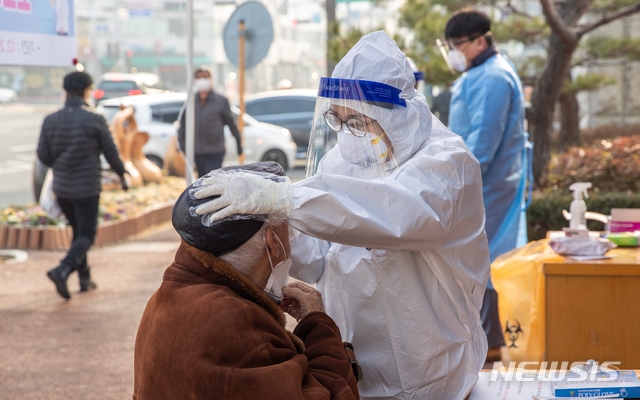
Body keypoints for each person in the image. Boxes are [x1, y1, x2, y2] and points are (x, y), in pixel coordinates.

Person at [190, 31, 490, 399]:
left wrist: (285, 198)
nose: (350, 134)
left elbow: (397, 215)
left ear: (396, 112)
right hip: (354, 364)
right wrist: (271, 234)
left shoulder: (447, 164)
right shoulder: (346, 160)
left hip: (432, 369)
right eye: (340, 120)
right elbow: (320, 256)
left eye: (360, 122)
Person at [133, 161, 360, 400]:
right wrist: (318, 325)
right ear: (273, 242)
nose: (292, 241)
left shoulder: (167, 297)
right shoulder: (236, 320)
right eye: (290, 229)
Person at [444, 8, 527, 361]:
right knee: (480, 259)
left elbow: (484, 141)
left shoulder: (494, 77)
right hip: (482, 183)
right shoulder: (482, 73)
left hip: (486, 185)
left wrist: (455, 180)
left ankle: (491, 343)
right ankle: (486, 340)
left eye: (458, 44)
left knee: (485, 260)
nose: (453, 52)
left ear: (481, 40)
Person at [37, 71, 128, 300]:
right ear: (88, 90)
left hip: (62, 188)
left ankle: (85, 278)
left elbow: (44, 156)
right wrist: (122, 174)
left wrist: (63, 162)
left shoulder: (50, 120)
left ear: (65, 91)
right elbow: (111, 152)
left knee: (78, 232)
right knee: (87, 233)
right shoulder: (95, 118)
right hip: (87, 188)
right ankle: (63, 269)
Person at [178, 65, 243, 177]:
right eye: (199, 77)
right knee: (201, 183)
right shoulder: (191, 101)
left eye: (205, 77)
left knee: (211, 181)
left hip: (215, 152)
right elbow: (182, 125)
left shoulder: (220, 101)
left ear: (210, 79)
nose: (202, 80)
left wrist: (238, 144)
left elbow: (231, 124)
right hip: (197, 152)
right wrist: (182, 145)